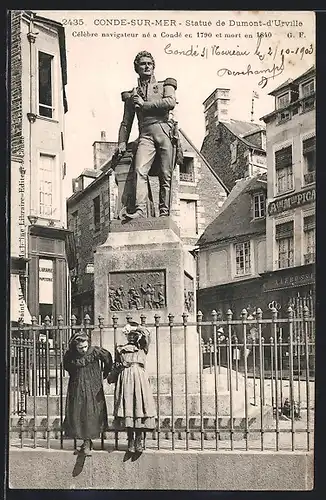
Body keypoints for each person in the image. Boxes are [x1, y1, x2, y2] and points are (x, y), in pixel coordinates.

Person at [116, 50, 182, 219]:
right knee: (139, 169)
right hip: (145, 134)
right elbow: (126, 122)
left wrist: (144, 105)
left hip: (164, 131)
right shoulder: (132, 95)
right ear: (136, 68)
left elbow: (170, 102)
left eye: (149, 64)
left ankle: (164, 213)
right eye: (142, 64)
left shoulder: (164, 86)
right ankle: (139, 210)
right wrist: (122, 142)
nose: (146, 66)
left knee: (166, 175)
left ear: (153, 67)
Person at [108, 321, 156, 453]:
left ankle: (139, 440)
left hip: (139, 378)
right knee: (128, 407)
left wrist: (137, 327)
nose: (132, 337)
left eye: (134, 335)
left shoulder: (142, 348)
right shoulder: (120, 349)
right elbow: (116, 365)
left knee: (139, 407)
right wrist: (113, 374)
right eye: (129, 334)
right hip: (125, 379)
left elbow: (148, 334)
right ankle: (130, 440)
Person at [63, 332, 113, 456]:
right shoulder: (70, 355)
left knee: (91, 411)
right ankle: (85, 442)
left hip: (93, 386)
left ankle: (88, 442)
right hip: (77, 386)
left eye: (85, 346)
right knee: (78, 411)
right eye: (80, 348)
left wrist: (105, 372)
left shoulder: (95, 351)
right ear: (75, 346)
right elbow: (67, 366)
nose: (84, 350)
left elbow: (108, 358)